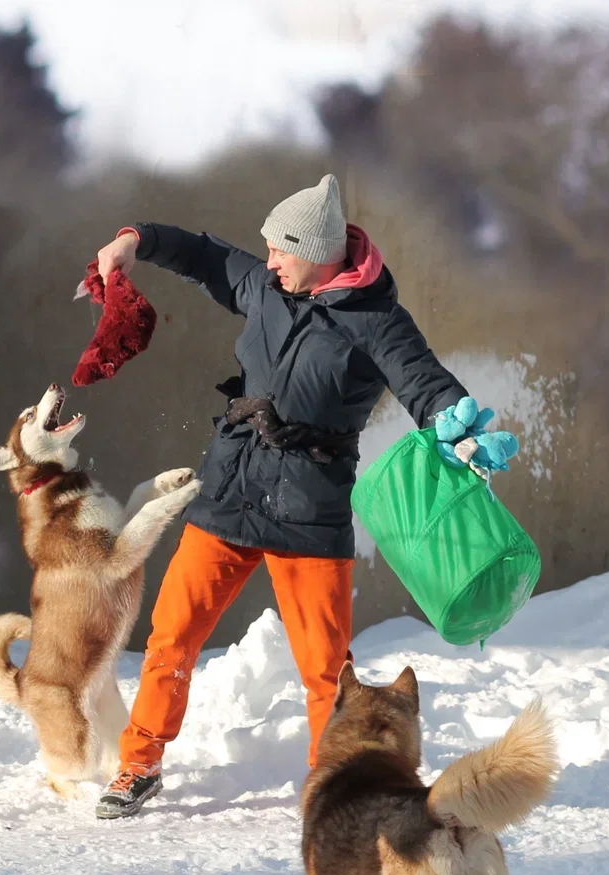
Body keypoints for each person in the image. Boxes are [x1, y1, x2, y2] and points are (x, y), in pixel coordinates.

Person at [92, 174, 470, 819]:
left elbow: (425, 381)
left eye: (279, 250)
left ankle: (333, 784)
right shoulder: (267, 287)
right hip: (229, 493)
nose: (267, 262)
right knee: (171, 638)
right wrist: (137, 240)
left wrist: (459, 426)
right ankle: (138, 763)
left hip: (309, 512)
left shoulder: (377, 321)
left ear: (318, 252)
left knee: (326, 669)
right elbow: (205, 255)